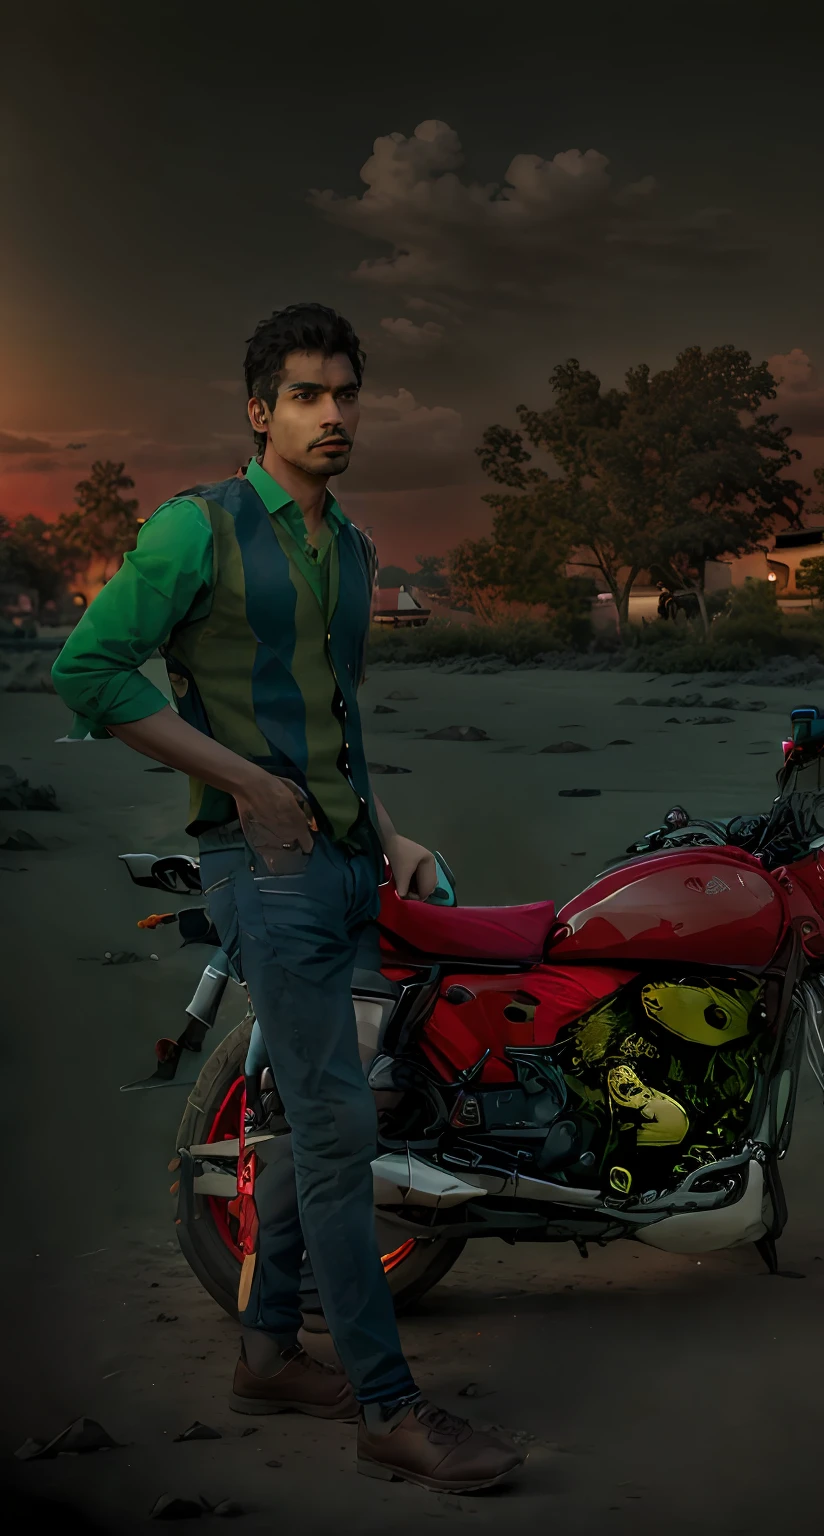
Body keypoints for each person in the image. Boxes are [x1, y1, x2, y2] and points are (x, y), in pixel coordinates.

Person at [51, 304, 524, 1493]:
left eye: (348, 394)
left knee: (327, 1110)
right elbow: (88, 672)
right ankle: (387, 1407)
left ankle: (268, 1352)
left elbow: (335, 731)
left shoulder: (354, 549)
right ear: (259, 409)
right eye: (307, 395)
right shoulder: (196, 529)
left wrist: (394, 834)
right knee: (336, 1132)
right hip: (263, 873)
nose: (333, 415)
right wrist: (242, 783)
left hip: (355, 865)